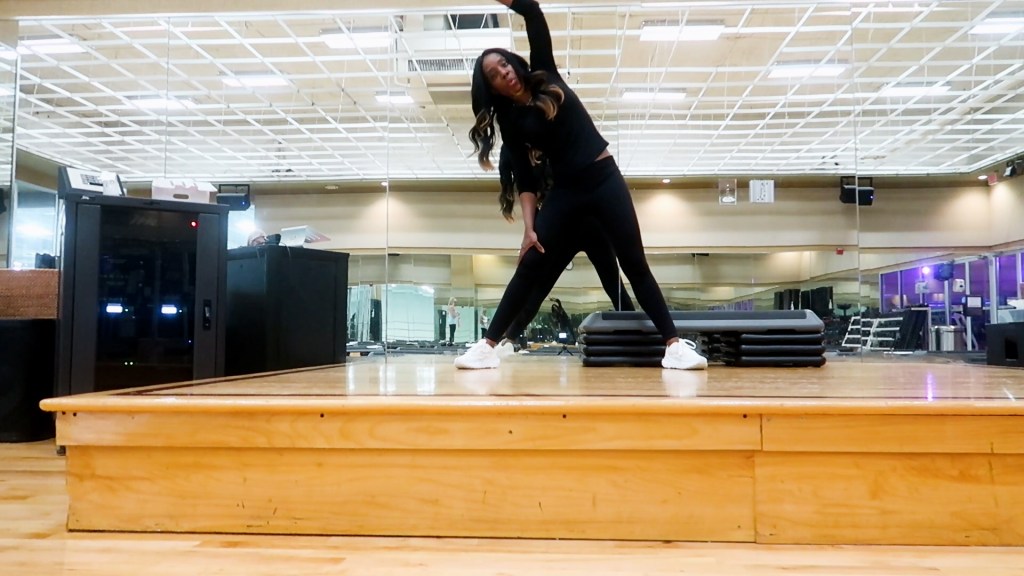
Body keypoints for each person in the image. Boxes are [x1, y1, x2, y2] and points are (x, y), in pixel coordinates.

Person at [455, 0, 706, 371]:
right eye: (493, 73)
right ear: (491, 86)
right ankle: (488, 345)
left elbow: (534, 15)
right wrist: (528, 228)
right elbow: (525, 179)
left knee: (634, 263)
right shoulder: (511, 121)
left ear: (514, 62)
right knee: (531, 262)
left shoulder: (545, 72)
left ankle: (673, 346)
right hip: (567, 193)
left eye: (504, 63)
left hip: (604, 179)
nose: (503, 72)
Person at [492, 143, 635, 356]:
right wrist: (533, 230)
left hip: (589, 222)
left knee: (612, 281)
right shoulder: (522, 163)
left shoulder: (552, 146)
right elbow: (529, 193)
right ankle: (509, 339)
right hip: (564, 226)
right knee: (541, 284)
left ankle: (634, 335)